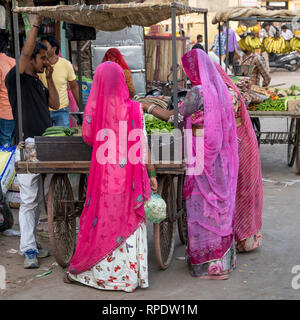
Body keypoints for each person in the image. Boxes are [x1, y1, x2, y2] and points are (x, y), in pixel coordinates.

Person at [144, 49, 239, 279]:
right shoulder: (219, 89)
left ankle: (207, 265)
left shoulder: (198, 91)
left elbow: (175, 116)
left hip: (201, 158)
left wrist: (147, 107)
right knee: (216, 205)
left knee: (201, 205)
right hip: (218, 158)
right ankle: (222, 261)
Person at [64, 62, 158, 292]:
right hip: (131, 179)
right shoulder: (135, 109)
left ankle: (103, 276)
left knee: (105, 220)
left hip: (106, 177)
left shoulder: (95, 108)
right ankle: (129, 278)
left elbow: (87, 137)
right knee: (128, 220)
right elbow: (143, 145)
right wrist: (152, 174)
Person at [5, 15, 60, 269]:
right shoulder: (17, 79)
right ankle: (28, 250)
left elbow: (55, 104)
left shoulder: (37, 81)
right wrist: (35, 24)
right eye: (43, 58)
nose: (46, 62)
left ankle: (32, 242)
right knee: (28, 200)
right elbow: (26, 52)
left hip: (44, 143)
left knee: (37, 199)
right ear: (31, 59)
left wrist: (49, 76)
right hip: (27, 145)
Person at [214, 63, 263, 252]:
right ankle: (235, 237)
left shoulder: (228, 94)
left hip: (239, 145)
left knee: (241, 188)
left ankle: (243, 238)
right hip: (232, 144)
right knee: (233, 189)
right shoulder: (221, 91)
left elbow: (223, 119)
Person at [39, 35, 79, 128]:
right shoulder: (39, 65)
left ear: (54, 49)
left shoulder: (66, 64)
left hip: (62, 110)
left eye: (45, 47)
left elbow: (74, 87)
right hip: (43, 110)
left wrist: (81, 107)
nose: (42, 50)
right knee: (45, 140)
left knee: (62, 138)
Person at [0, 36, 15, 146]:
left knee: (4, 148)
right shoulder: (14, 62)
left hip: (3, 112)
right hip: (14, 111)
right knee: (9, 144)